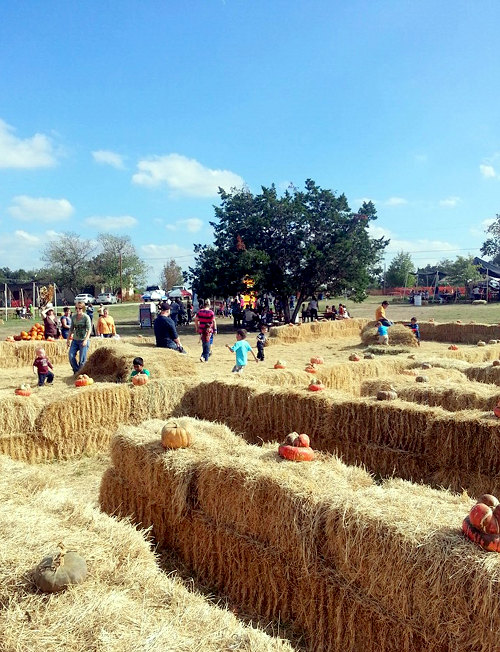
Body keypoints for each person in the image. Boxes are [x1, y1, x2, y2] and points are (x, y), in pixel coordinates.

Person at [67, 302, 93, 373]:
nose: (78, 310)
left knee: (82, 361)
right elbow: (71, 329)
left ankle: (80, 373)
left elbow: (89, 329)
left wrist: (85, 340)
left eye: (80, 308)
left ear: (83, 309)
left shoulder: (86, 317)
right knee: (71, 356)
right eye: (76, 308)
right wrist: (68, 339)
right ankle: (76, 371)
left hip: (83, 340)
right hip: (75, 340)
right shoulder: (74, 317)